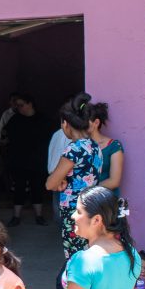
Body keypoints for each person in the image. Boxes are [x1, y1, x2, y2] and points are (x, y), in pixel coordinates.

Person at [45, 93, 101, 261]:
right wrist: (65, 180)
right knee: (89, 253)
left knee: (76, 258)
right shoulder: (94, 146)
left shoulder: (73, 149)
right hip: (92, 206)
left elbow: (50, 184)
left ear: (66, 124)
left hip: (75, 211)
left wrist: (59, 180)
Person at [2, 94, 51, 227]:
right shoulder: (15, 119)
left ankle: (39, 216)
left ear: (30, 104)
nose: (19, 108)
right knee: (19, 188)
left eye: (21, 105)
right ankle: (16, 216)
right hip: (19, 161)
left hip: (37, 160)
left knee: (37, 188)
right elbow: (6, 136)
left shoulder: (43, 120)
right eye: (17, 106)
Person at [88, 102, 124, 197]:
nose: (80, 125)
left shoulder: (113, 146)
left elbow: (114, 181)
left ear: (96, 123)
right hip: (81, 201)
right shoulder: (77, 147)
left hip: (105, 199)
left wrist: (86, 191)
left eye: (84, 122)